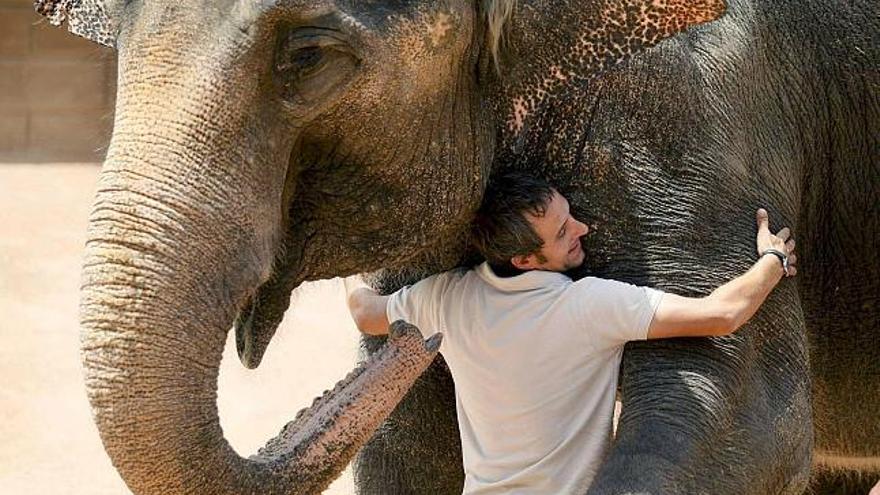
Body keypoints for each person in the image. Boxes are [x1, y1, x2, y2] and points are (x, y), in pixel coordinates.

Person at [344, 172, 797, 494]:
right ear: (523, 260)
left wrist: (346, 269)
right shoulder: (587, 307)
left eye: (570, 215)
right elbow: (723, 313)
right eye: (563, 232)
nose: (582, 228)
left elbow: (366, 313)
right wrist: (772, 261)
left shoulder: (445, 299)